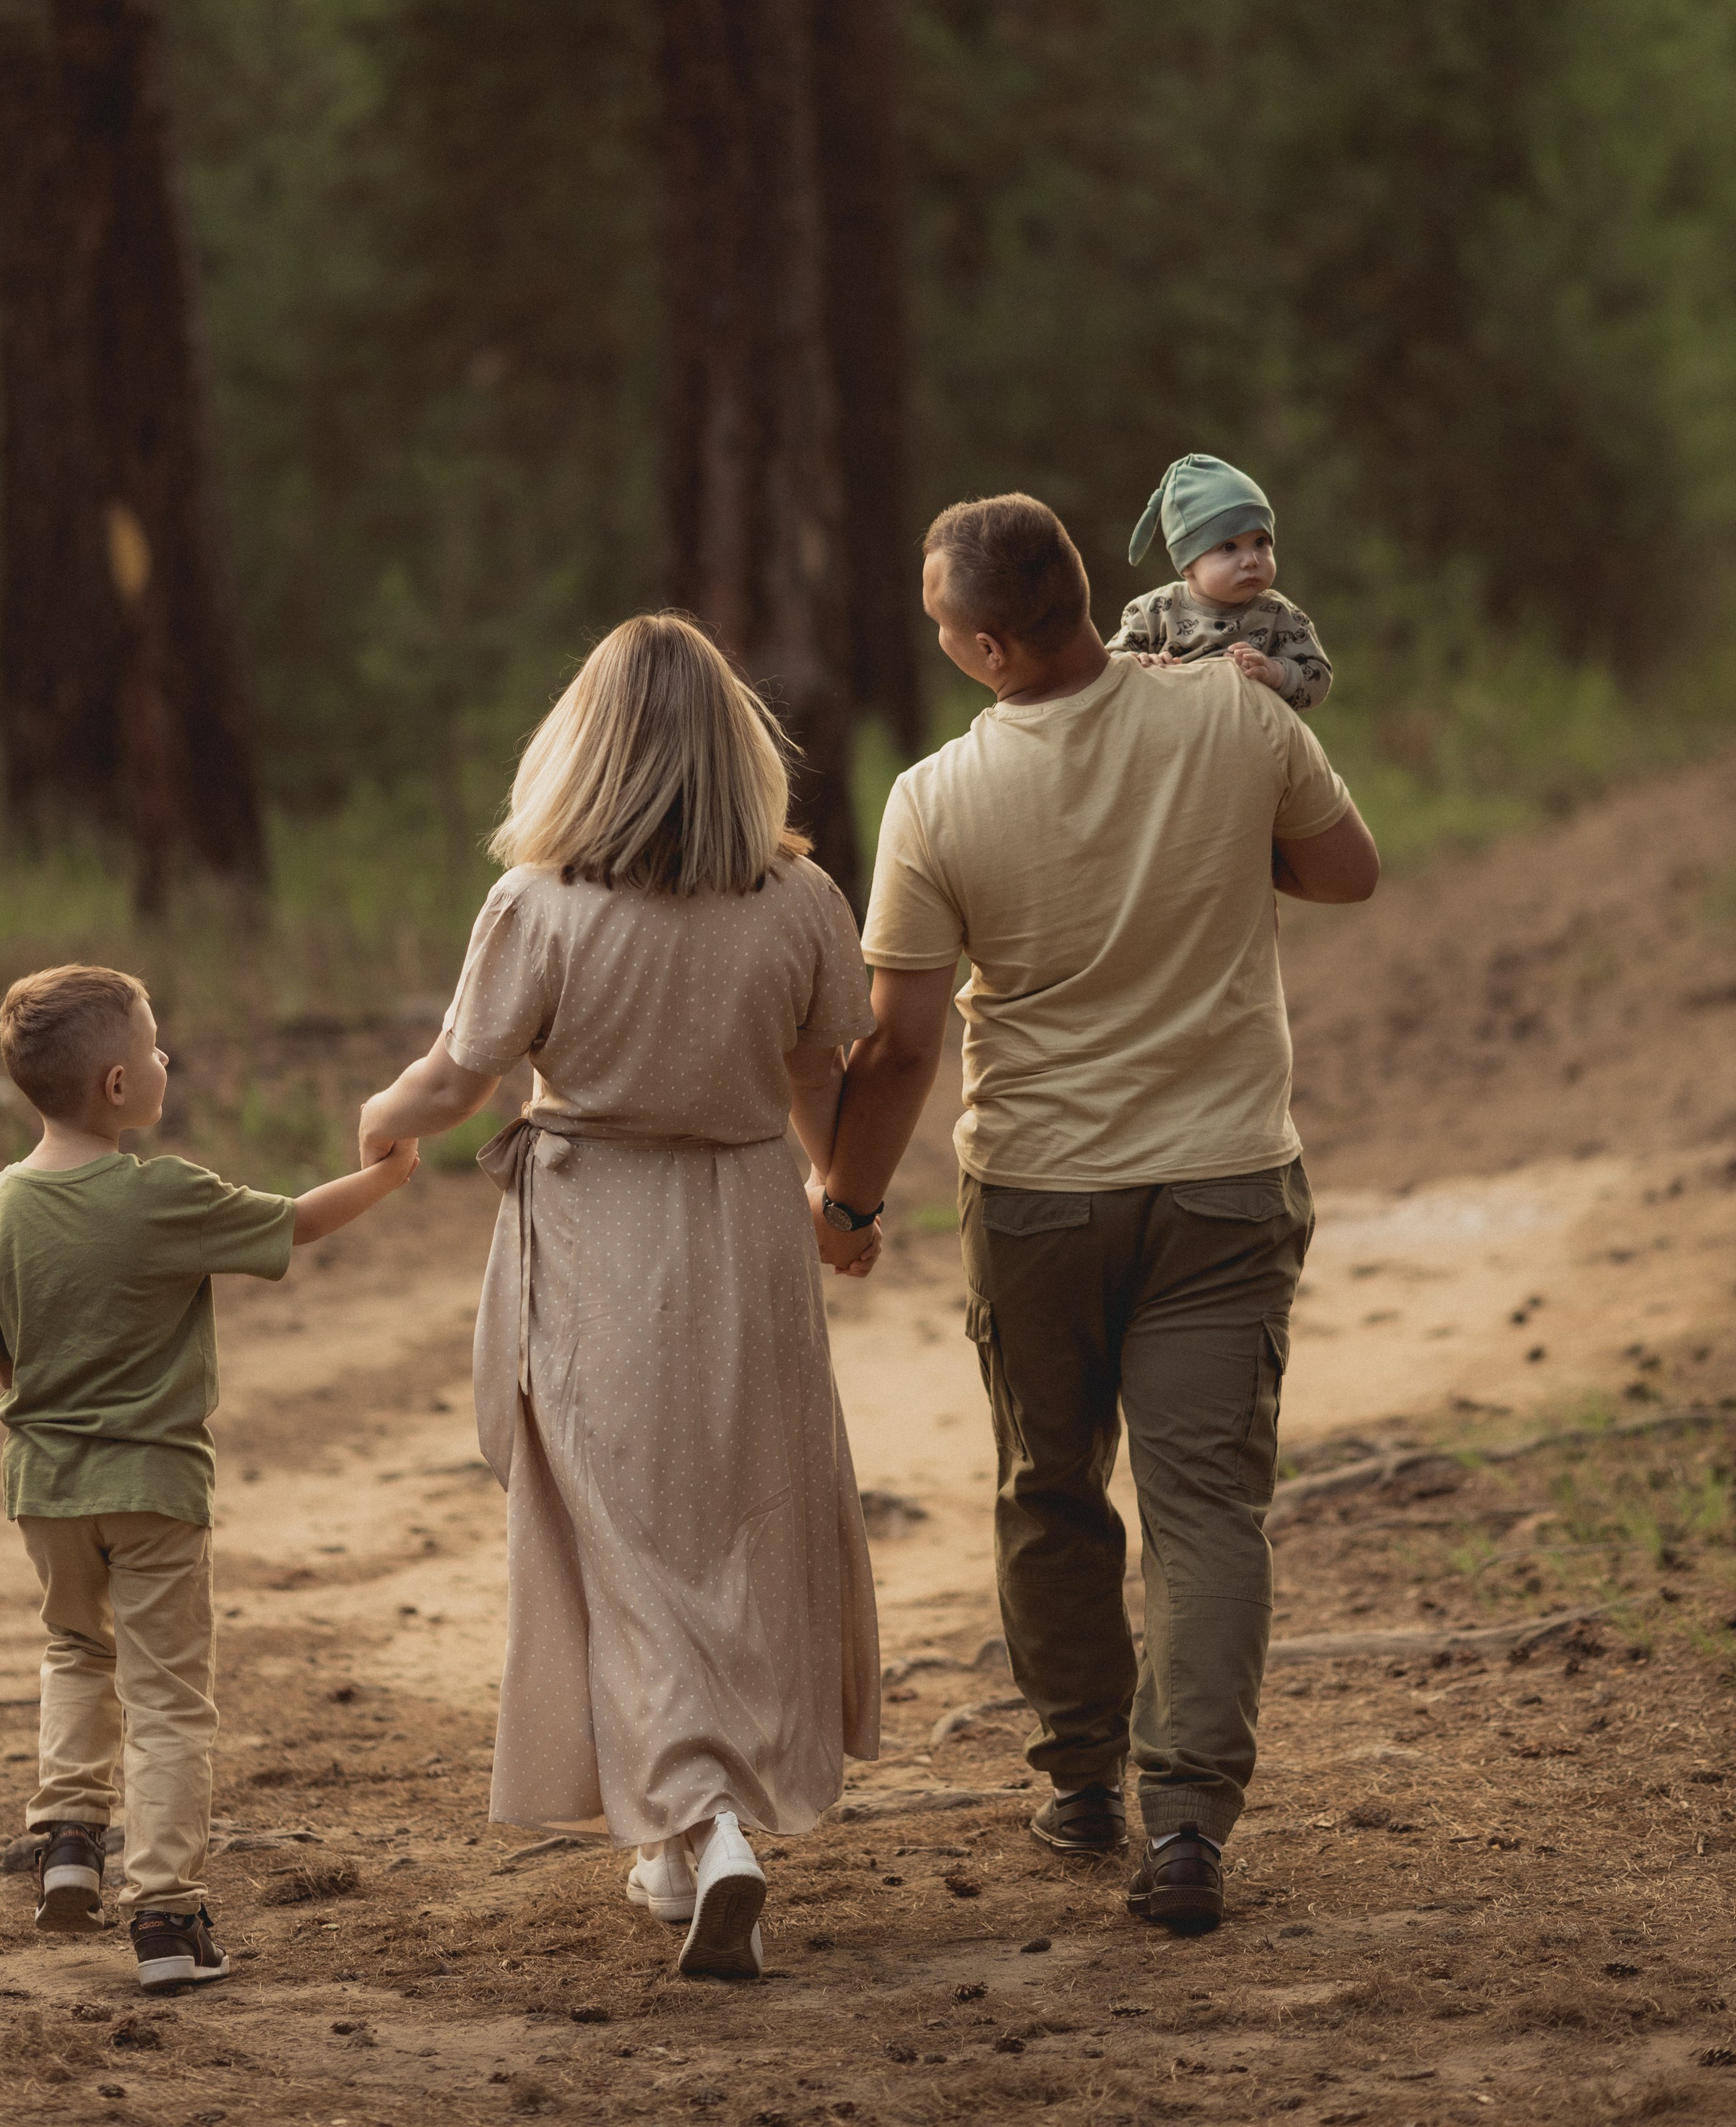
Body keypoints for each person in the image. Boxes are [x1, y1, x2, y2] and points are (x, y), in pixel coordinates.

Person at [818, 493, 1378, 1934]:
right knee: (1205, 1513)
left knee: (1047, 1486)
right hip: (1223, 1182)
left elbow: (897, 1048)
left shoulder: (935, 797)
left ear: (992, 644)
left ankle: (1078, 1776)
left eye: (947, 636)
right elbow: (1342, 871)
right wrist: (1208, 848)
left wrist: (849, 1201)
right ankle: (1186, 1821)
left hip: (1038, 1201)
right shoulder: (1236, 718)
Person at [356, 613, 881, 1980]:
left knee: (627, 1544)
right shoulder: (803, 903)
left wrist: (379, 1121)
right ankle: (676, 1831)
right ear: (735, 752)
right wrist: (848, 1202)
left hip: (599, 1233)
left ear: (583, 750)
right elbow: (818, 1084)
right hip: (749, 1234)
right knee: (741, 1528)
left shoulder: (539, 905)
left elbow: (458, 1081)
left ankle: (708, 1830)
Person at [0, 964, 418, 1990]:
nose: (167, 1058)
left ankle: (68, 1840)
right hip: (156, 1487)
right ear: (120, 1087)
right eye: (156, 1046)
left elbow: (3, 1362)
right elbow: (294, 1222)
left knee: (76, 1650)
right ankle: (166, 1921)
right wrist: (388, 1176)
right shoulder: (160, 1194)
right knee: (166, 1698)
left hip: (44, 1486)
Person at [1113, 450, 1331, 710]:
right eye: (1229, 547)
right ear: (1188, 564)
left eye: (1261, 543)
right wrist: (1141, 664)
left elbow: (1318, 677)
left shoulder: (1277, 614)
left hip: (1249, 742)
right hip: (1174, 741)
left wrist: (1276, 672)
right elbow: (1107, 669)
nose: (1251, 560)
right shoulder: (1155, 612)